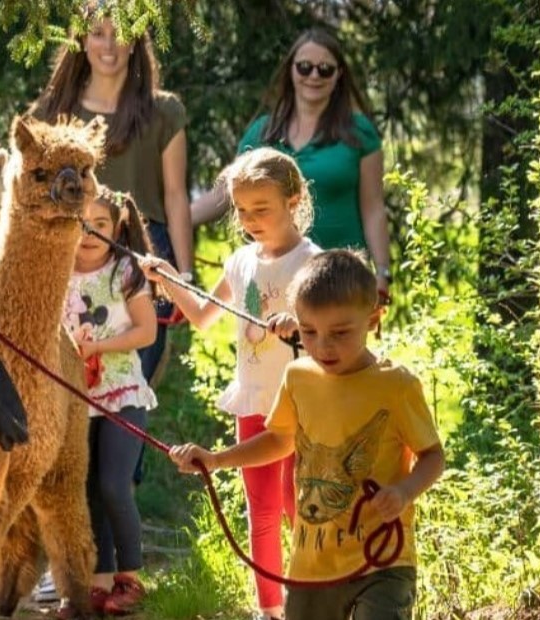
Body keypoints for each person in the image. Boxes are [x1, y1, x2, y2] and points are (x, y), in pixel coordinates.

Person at [169, 250, 446, 619]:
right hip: (312, 567)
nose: (323, 346)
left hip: (383, 561)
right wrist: (217, 459)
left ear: (373, 318)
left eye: (340, 333)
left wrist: (404, 491)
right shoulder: (298, 377)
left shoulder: (396, 386)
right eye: (309, 332)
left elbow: (433, 456)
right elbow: (280, 440)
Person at [141, 147, 320, 620]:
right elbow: (201, 315)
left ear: (294, 199)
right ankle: (270, 610)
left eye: (261, 209)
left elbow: (329, 329)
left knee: (295, 507)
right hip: (254, 400)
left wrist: (299, 325)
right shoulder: (240, 261)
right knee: (259, 509)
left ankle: (311, 600)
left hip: (301, 405)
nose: (249, 219)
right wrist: (166, 278)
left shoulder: (312, 260)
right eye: (241, 210)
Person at [31, 0, 193, 386]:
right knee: (67, 390)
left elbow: (175, 196)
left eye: (120, 34)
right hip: (72, 256)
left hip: (143, 255)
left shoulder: (164, 111)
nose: (109, 45)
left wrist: (184, 276)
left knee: (129, 388)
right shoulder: (51, 111)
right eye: (98, 33)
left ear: (136, 41)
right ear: (82, 40)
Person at [191, 28, 392, 304]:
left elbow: (373, 209)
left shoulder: (360, 133)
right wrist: (173, 222)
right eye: (305, 67)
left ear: (339, 75)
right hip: (272, 276)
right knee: (263, 345)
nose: (313, 76)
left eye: (325, 70)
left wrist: (382, 272)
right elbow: (226, 194)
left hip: (341, 274)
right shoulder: (262, 132)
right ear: (291, 70)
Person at [60, 186, 157, 617]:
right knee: (86, 491)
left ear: (117, 226)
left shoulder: (125, 270)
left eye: (99, 224)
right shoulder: (58, 272)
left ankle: (131, 577)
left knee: (115, 484)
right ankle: (97, 583)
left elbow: (147, 332)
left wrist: (99, 348)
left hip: (122, 394)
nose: (89, 232)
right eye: (81, 222)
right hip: (76, 399)